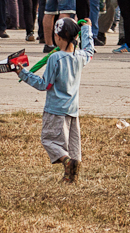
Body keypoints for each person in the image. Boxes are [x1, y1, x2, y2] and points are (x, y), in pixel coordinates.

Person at [15, 17, 95, 183]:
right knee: (73, 144)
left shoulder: (55, 58)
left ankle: (67, 162)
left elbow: (44, 84)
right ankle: (70, 175)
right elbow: (89, 50)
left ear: (59, 37)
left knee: (49, 140)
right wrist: (87, 29)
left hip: (55, 109)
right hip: (73, 110)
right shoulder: (80, 56)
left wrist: (23, 73)